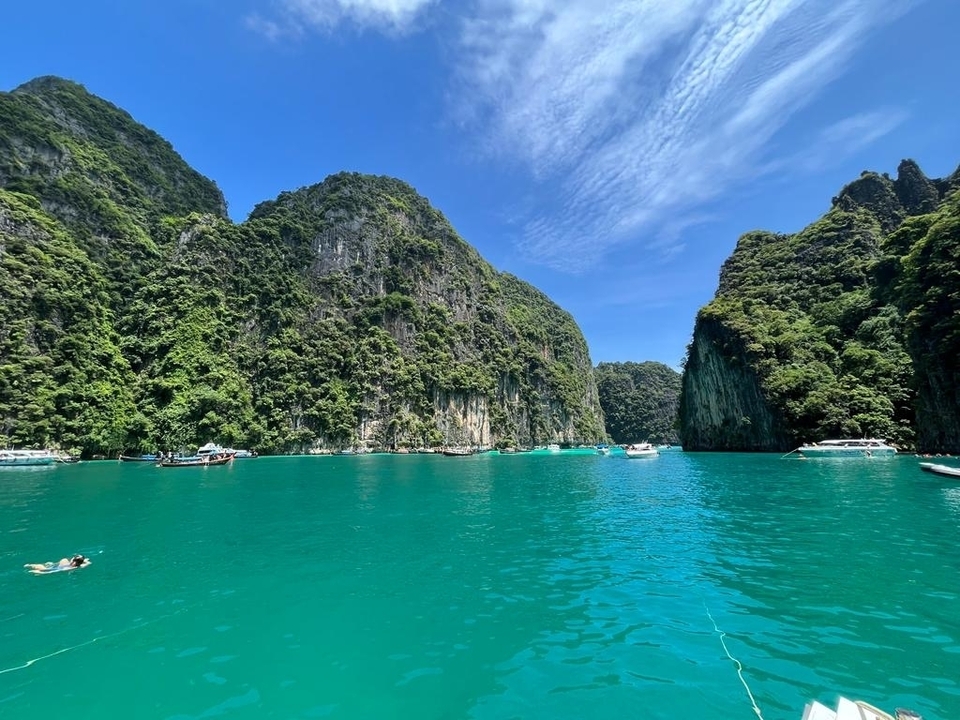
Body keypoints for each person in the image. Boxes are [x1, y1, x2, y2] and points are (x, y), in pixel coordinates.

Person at [24, 554, 90, 574]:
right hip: (59, 567)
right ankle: (31, 566)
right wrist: (41, 573)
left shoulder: (65, 561)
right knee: (45, 569)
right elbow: (54, 571)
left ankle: (30, 565)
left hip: (59, 565)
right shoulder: (72, 567)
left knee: (48, 567)